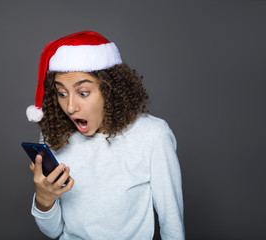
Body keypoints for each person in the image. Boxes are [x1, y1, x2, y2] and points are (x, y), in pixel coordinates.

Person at [26, 31, 185, 239]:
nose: (70, 107)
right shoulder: (55, 135)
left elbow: (172, 223)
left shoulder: (153, 135)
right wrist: (44, 199)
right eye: (62, 93)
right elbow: (53, 231)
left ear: (110, 90)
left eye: (83, 92)